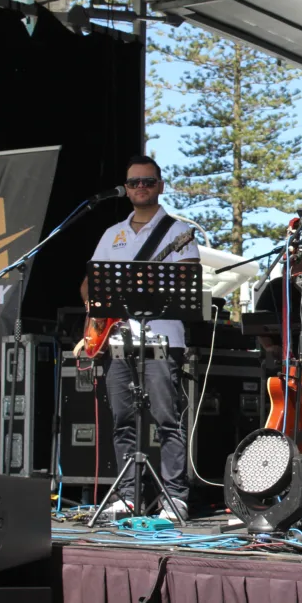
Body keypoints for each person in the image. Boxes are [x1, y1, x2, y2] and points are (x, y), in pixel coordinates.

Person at [79, 155, 200, 520]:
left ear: (160, 185)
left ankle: (175, 497)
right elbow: (90, 284)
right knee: (122, 420)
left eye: (148, 181)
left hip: (163, 337)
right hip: (117, 338)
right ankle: (128, 496)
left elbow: (186, 280)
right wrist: (93, 326)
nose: (141, 187)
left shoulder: (177, 231)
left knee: (167, 418)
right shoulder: (112, 234)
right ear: (126, 189)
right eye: (134, 183)